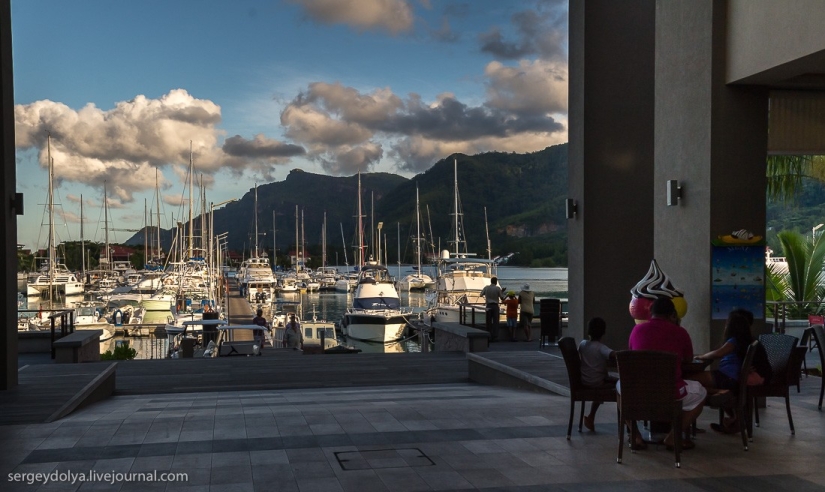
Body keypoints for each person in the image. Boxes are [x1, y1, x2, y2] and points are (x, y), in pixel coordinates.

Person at [623, 297, 706, 450]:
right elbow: (688, 359)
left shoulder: (636, 330)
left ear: (650, 314)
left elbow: (631, 354)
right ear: (672, 314)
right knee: (701, 392)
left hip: (638, 394)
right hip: (671, 394)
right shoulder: (680, 333)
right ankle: (674, 436)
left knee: (620, 389)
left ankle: (635, 435)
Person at [578, 317, 616, 431]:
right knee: (620, 384)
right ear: (603, 332)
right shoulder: (601, 348)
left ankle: (591, 417)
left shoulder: (583, 344)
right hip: (597, 382)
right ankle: (626, 420)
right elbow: (613, 354)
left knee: (607, 380)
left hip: (585, 380)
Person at [480, 277, 505, 341]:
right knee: (496, 322)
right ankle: (495, 336)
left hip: (488, 306)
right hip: (495, 306)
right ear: (496, 282)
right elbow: (502, 298)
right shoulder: (497, 288)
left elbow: (481, 294)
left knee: (488, 321)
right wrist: (502, 292)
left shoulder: (486, 288)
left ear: (491, 281)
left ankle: (488, 335)